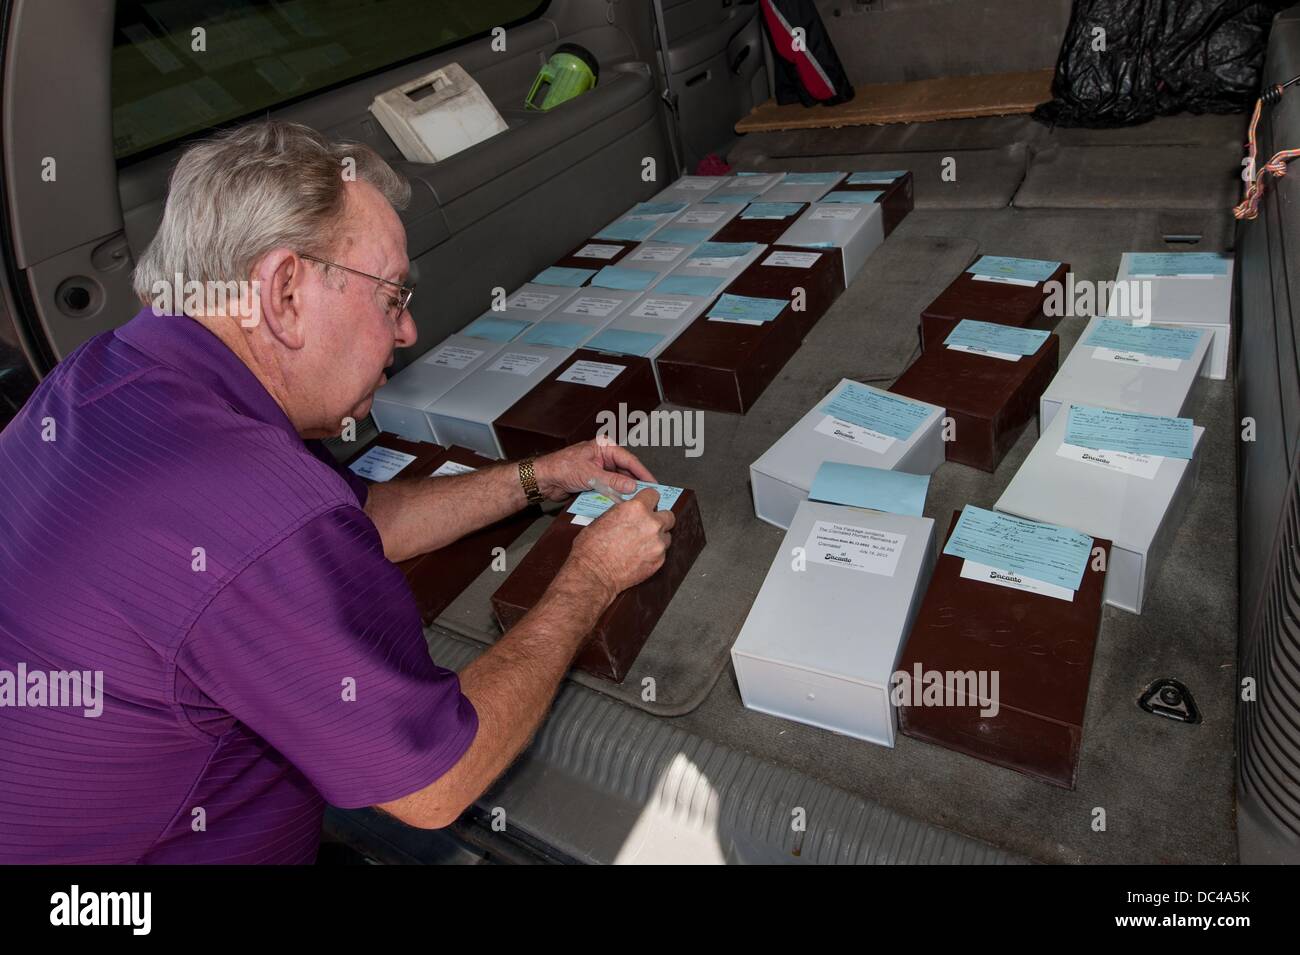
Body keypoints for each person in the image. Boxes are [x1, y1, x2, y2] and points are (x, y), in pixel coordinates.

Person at [0, 121, 673, 863]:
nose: (409, 329)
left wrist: (539, 476)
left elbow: (362, 517)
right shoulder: (256, 509)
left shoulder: (107, 371)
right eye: (392, 297)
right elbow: (438, 782)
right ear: (284, 291)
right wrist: (589, 577)